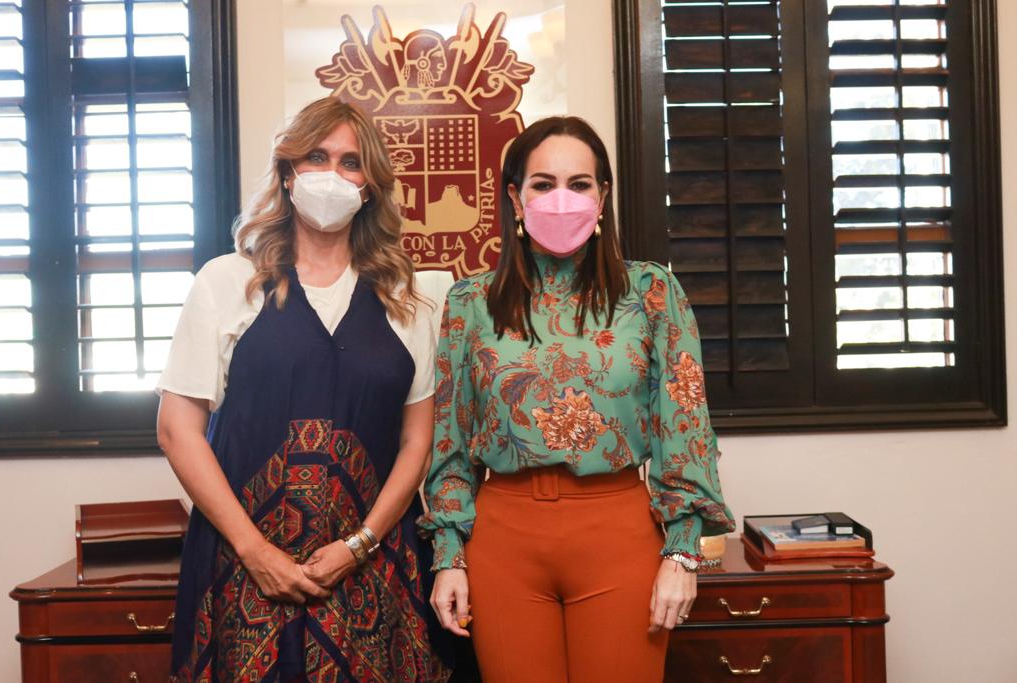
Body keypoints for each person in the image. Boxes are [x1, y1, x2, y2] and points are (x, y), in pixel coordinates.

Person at [420, 116, 735, 682]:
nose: (561, 198)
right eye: (543, 184)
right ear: (515, 198)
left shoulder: (651, 292)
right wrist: (449, 556)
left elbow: (684, 427)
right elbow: (452, 441)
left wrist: (682, 552)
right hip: (503, 542)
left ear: (603, 196)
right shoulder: (470, 302)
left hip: (617, 534)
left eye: (579, 183)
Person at [156, 97, 451, 682]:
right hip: (245, 566)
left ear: (369, 187)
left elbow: (417, 442)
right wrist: (255, 551)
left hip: (373, 568)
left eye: (350, 162)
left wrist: (359, 545)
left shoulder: (408, 299)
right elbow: (177, 430)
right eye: (317, 157)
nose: (332, 174)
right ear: (288, 172)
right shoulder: (227, 281)